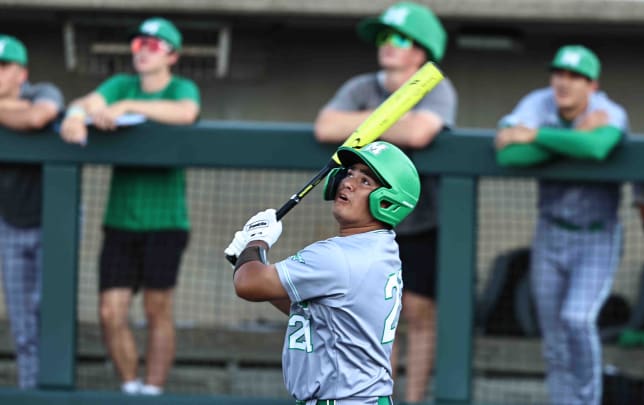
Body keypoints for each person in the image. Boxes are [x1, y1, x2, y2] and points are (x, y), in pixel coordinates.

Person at [313, 3, 457, 402]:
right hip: (369, 223)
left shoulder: (435, 86)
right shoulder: (362, 85)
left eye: (399, 38)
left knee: (417, 313)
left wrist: (364, 128)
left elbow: (419, 132)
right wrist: (389, 125)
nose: (388, 45)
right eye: (384, 37)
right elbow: (325, 125)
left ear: (421, 50)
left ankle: (412, 399)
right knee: (376, 314)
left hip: (422, 220)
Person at [59, 17, 200, 395]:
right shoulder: (120, 83)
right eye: (139, 45)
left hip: (166, 221)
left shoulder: (180, 87)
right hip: (121, 221)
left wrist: (126, 107)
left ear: (172, 55)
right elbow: (88, 102)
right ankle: (130, 386)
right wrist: (75, 114)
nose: (143, 51)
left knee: (157, 310)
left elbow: (186, 112)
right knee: (110, 312)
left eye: (154, 46)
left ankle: (152, 391)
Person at [225, 141, 420, 405]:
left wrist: (257, 241)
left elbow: (248, 284)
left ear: (388, 201)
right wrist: (247, 257)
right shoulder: (382, 246)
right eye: (350, 173)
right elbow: (316, 313)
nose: (348, 183)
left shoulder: (337, 256)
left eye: (366, 182)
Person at [494, 45, 628, 405]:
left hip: (596, 235)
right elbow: (509, 153)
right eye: (559, 74)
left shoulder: (608, 111)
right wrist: (573, 138)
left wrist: (537, 136)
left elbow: (598, 148)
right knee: (553, 341)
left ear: (592, 84)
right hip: (550, 232)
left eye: (574, 76)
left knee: (577, 320)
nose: (563, 83)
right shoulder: (538, 103)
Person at [0, 34, 64, 389]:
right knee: (22, 323)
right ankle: (30, 393)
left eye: (3, 66)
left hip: (52, 223)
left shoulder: (42, 91)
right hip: (9, 223)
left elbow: (41, 116)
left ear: (21, 73)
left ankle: (53, 392)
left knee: (51, 315)